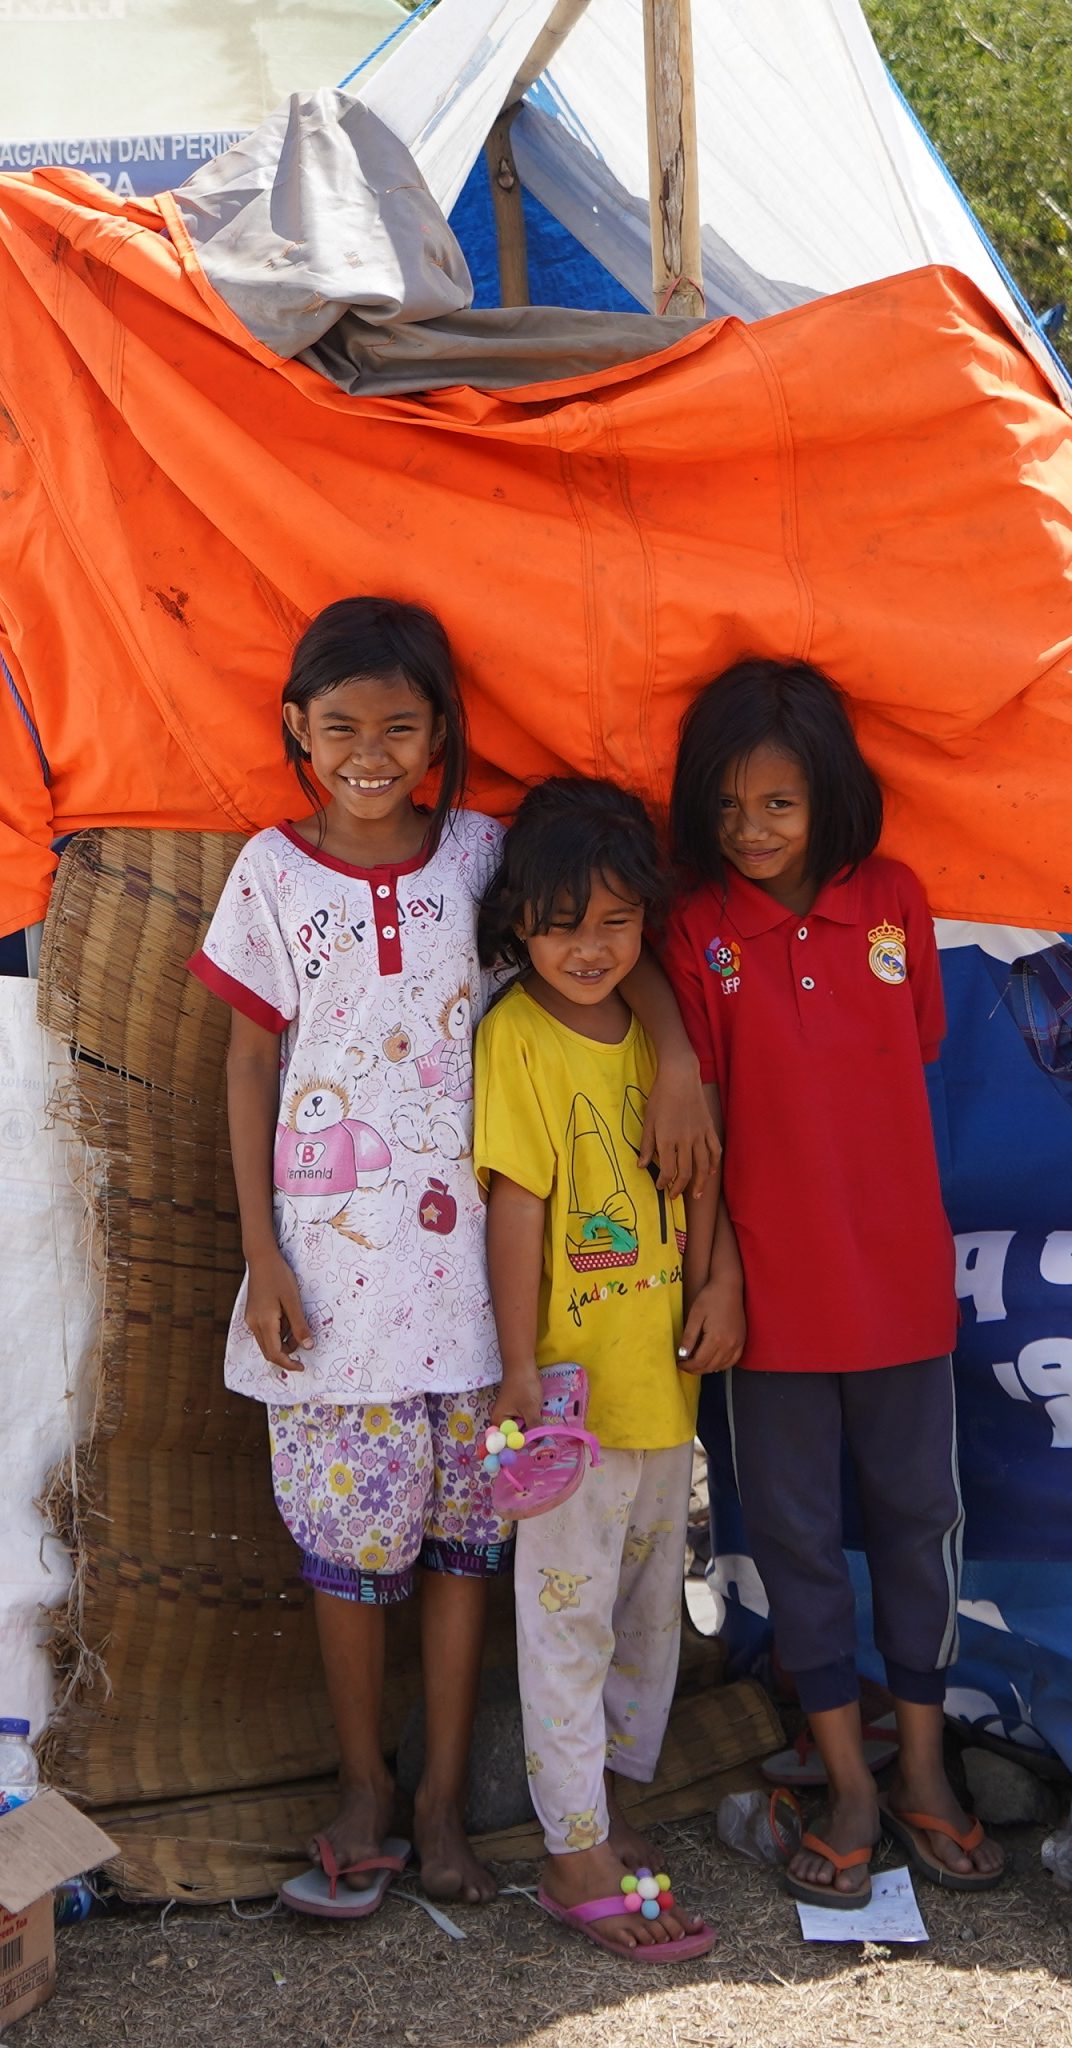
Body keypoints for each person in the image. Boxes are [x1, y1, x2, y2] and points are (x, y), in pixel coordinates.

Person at [198, 598, 715, 1915]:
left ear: (440, 734)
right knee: (348, 1550)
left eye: (401, 726)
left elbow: (598, 938)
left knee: (463, 1550)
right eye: (342, 727)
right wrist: (262, 1252)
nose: (371, 751)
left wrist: (683, 1065)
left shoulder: (478, 856)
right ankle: (363, 1785)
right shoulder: (270, 871)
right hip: (327, 1286)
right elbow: (250, 1058)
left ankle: (440, 1809)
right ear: (297, 731)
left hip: (478, 1304)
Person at [655, 656, 1008, 1903]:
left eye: (781, 806)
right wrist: (722, 1276)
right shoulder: (697, 931)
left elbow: (906, 1060)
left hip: (903, 1281)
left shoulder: (897, 903)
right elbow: (704, 1113)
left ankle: (925, 1768)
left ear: (832, 801)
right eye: (730, 808)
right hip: (770, 1304)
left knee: (918, 1523)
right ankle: (848, 1777)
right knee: (796, 1537)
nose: (752, 832)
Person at [473, 778, 736, 1965]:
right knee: (566, 1623)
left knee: (646, 1624)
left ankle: (611, 1802)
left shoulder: (654, 1040)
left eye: (618, 922)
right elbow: (517, 1201)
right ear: (518, 920)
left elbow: (700, 1175)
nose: (592, 947)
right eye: (565, 921)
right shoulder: (518, 1035)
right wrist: (518, 1363)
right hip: (571, 1400)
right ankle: (570, 1846)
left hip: (661, 1384)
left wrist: (717, 1273)